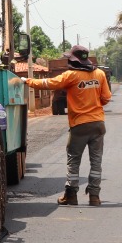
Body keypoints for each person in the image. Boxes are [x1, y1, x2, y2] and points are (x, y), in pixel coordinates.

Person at [27, 44, 112, 206]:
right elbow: (106, 98)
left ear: (74, 60)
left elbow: (49, 83)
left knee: (73, 160)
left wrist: (27, 81)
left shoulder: (71, 75)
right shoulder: (99, 74)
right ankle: (94, 196)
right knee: (96, 162)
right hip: (98, 124)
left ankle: (71, 195)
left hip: (79, 125)